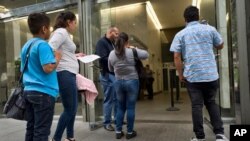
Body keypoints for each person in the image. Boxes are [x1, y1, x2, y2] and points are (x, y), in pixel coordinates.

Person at [170, 6, 229, 141]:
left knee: (197, 106)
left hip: (193, 76)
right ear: (198, 16)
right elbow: (220, 45)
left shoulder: (181, 34)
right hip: (211, 75)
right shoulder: (210, 29)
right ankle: (220, 134)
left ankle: (199, 137)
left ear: (185, 19)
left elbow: (176, 57)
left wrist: (180, 74)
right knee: (211, 103)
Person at [21, 13, 61, 141]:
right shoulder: (42, 45)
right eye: (49, 28)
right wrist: (57, 59)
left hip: (28, 91)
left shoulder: (27, 46)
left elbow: (23, 69)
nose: (49, 30)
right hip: (43, 93)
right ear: (43, 28)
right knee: (41, 132)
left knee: (31, 128)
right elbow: (48, 68)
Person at [49, 11, 84, 141]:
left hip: (69, 73)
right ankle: (56, 138)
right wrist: (54, 65)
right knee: (70, 109)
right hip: (64, 73)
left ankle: (70, 137)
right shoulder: (61, 32)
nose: (75, 25)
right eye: (75, 22)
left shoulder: (64, 34)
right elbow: (49, 48)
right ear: (69, 22)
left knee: (72, 109)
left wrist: (75, 56)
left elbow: (62, 52)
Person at [108, 32, 149, 139]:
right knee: (130, 107)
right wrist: (133, 47)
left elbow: (110, 69)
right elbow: (146, 54)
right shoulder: (132, 51)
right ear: (127, 42)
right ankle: (129, 132)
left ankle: (118, 131)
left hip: (118, 82)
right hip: (132, 81)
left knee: (120, 107)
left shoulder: (112, 53)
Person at [95, 26, 119, 131]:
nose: (117, 36)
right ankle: (107, 123)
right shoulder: (101, 42)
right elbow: (103, 58)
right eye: (116, 33)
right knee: (109, 99)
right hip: (107, 74)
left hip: (114, 74)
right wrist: (117, 59)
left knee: (117, 98)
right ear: (111, 32)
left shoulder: (112, 43)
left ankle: (117, 119)